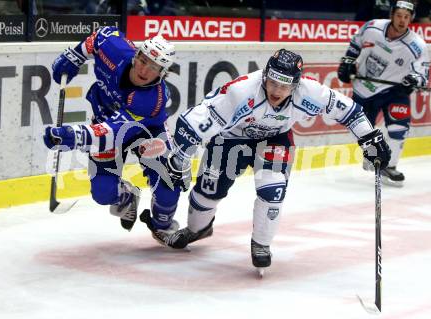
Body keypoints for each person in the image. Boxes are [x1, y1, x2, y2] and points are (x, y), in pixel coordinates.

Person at [144, 48, 391, 272]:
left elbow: (350, 111)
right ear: (265, 76)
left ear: (295, 85)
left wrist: (370, 138)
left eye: (284, 86)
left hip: (275, 139)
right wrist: (181, 156)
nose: (276, 91)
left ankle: (261, 243)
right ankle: (198, 229)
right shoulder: (241, 91)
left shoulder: (311, 91)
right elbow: (194, 121)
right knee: (208, 192)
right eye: (272, 82)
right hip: (231, 139)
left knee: (272, 190)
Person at [43, 26, 182, 242]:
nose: (144, 71)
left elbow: (110, 132)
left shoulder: (151, 100)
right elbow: (100, 35)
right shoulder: (114, 49)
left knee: (168, 183)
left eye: (154, 68)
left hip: (147, 132)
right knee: (103, 193)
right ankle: (128, 195)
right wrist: (75, 55)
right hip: (105, 118)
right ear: (136, 54)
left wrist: (72, 135)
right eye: (143, 61)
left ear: (163, 73)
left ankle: (162, 225)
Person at [338, 0, 428, 187]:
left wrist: (413, 80)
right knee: (363, 131)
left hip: (394, 90)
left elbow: (422, 74)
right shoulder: (372, 27)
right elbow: (355, 43)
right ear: (391, 15)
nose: (402, 20)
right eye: (399, 15)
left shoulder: (417, 45)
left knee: (399, 127)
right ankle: (372, 155)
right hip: (364, 87)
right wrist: (347, 62)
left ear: (411, 19)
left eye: (406, 17)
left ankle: (390, 166)